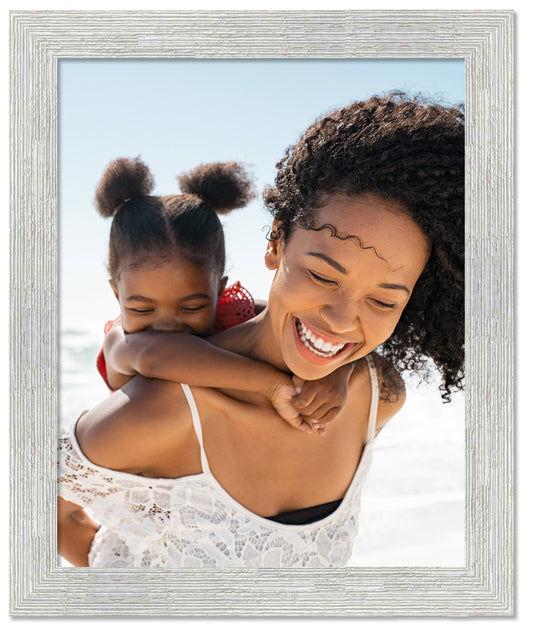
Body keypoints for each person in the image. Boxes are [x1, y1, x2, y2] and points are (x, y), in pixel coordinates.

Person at [58, 91, 464, 568]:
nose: (339, 319)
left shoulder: (379, 395)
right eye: (321, 275)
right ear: (276, 242)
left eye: (383, 300)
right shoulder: (163, 409)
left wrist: (342, 370)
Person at [93, 157, 353, 432]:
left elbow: (311, 323)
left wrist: (338, 371)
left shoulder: (231, 310)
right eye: (143, 309)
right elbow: (156, 355)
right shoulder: (120, 342)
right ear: (116, 292)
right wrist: (273, 385)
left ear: (219, 289)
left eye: (191, 308)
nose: (167, 325)